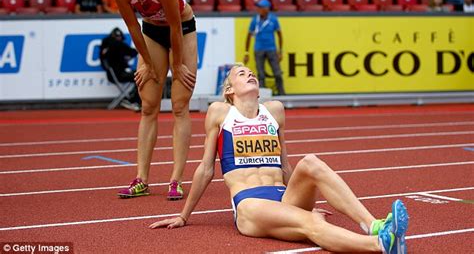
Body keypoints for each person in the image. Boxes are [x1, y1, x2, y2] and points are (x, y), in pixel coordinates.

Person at [150, 64, 409, 254]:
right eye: (242, 74)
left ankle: (373, 225)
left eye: (252, 72)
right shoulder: (220, 113)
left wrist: (300, 203)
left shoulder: (274, 110)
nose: (250, 74)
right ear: (229, 90)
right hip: (250, 203)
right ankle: (381, 245)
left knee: (310, 162)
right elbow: (206, 169)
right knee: (311, 223)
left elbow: (286, 164)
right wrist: (184, 216)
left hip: (284, 196)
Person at [112, 0, 197, 200]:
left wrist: (177, 64)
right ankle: (141, 180)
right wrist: (148, 63)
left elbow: (175, 29)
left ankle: (176, 180)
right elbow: (132, 27)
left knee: (180, 105)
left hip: (182, 28)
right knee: (148, 105)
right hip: (151, 32)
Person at [244, 0, 285, 96]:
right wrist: (246, 52)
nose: (258, 9)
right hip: (258, 50)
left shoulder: (273, 19)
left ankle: (282, 95)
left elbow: (279, 35)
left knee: (277, 73)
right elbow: (249, 36)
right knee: (261, 75)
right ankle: (262, 96)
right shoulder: (255, 20)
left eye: (260, 7)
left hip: (272, 49)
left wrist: (280, 51)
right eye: (258, 7)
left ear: (267, 8)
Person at [100, 27, 141, 111]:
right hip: (119, 74)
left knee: (137, 75)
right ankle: (133, 100)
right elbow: (133, 52)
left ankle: (131, 97)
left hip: (112, 75)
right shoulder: (117, 44)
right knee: (140, 76)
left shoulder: (105, 47)